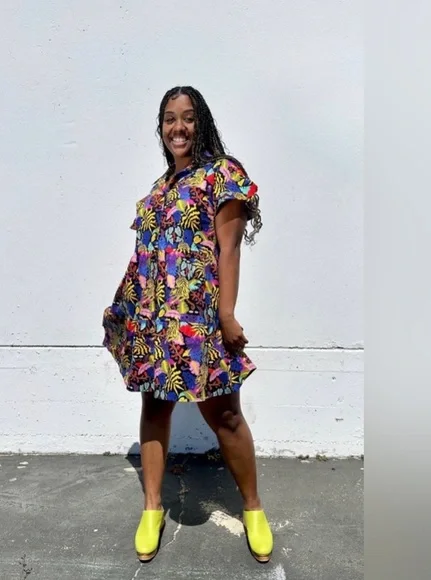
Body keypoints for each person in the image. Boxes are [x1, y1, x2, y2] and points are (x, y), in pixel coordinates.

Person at [102, 86, 273, 563]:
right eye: (169, 118)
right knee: (154, 408)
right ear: (160, 127)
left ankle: (253, 508)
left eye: (188, 118)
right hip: (154, 321)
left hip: (200, 322)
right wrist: (131, 313)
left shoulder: (222, 175)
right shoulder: (159, 190)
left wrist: (226, 314)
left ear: (203, 124)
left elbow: (228, 250)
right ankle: (152, 508)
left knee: (226, 415)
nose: (178, 127)